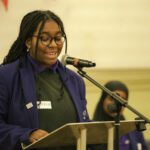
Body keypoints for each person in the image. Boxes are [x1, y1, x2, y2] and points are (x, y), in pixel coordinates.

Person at [0, 10, 90, 150]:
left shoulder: (75, 80)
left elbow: (83, 125)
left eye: (58, 38)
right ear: (28, 41)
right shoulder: (7, 77)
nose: (53, 45)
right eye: (45, 38)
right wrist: (27, 135)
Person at [92, 80, 148, 150]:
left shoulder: (133, 128)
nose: (117, 103)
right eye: (112, 98)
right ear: (103, 99)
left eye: (122, 100)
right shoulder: (90, 130)